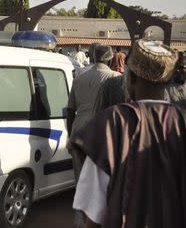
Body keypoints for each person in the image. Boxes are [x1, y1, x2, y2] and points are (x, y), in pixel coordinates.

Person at [71, 39, 185, 228]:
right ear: (167, 81)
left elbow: (92, 213)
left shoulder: (112, 124)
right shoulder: (181, 122)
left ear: (130, 78)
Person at [67, 45, 121, 228]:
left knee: (80, 182)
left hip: (78, 130)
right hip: (101, 135)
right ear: (110, 59)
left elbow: (70, 110)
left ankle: (79, 222)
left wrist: (71, 134)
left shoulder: (80, 77)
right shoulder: (115, 78)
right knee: (99, 186)